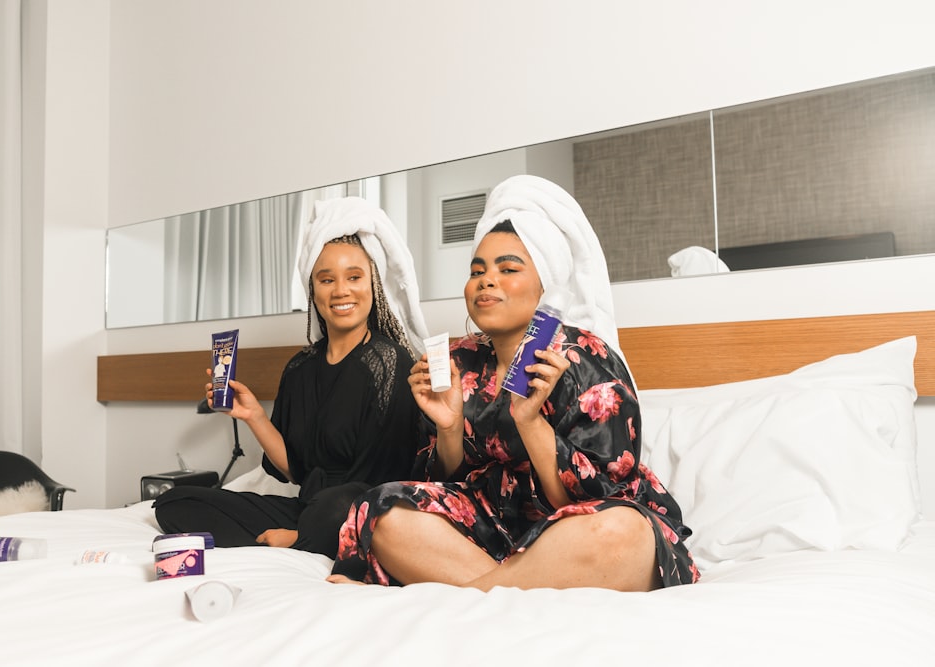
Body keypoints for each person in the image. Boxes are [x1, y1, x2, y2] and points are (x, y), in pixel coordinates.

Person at [327, 175, 699, 590]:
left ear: (545, 285)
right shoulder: (460, 360)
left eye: (508, 269)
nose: (487, 280)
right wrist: (448, 427)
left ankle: (477, 593)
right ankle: (512, 589)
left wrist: (529, 421)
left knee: (619, 532)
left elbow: (589, 501)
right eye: (478, 270)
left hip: (575, 533)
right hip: (490, 535)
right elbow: (441, 485)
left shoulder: (585, 358)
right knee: (383, 510)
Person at [154, 196, 429, 559]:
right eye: (326, 279)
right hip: (309, 508)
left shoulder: (389, 362)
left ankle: (299, 539)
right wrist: (253, 416)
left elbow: (383, 486)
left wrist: (309, 526)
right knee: (174, 502)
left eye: (354, 277)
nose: (341, 290)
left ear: (372, 285)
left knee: (338, 502)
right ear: (313, 290)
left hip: (361, 512)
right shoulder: (300, 367)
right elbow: (295, 472)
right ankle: (295, 536)